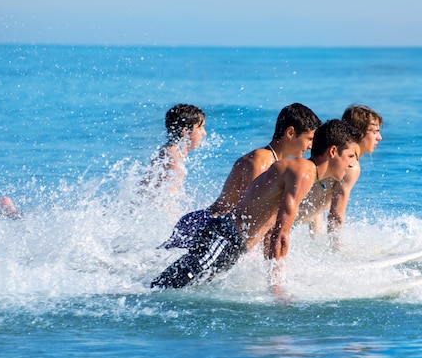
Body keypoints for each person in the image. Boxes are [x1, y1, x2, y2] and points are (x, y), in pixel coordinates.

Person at [150, 119, 361, 290]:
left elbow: (271, 232)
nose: (352, 163)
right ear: (333, 151)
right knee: (164, 288)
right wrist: (277, 287)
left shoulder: (306, 174)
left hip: (231, 246)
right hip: (225, 239)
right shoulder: (303, 172)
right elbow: (281, 233)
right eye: (350, 155)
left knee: (176, 287)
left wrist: (272, 281)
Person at [158, 102, 321, 250]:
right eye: (309, 139)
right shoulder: (261, 161)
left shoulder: (276, 164)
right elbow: (248, 217)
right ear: (291, 133)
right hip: (203, 226)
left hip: (215, 231)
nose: (311, 146)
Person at [296, 104, 383, 244]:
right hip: (286, 221)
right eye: (374, 132)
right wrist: (337, 255)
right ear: (359, 132)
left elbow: (316, 199)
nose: (379, 137)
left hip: (284, 220)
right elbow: (335, 216)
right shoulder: (351, 167)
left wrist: (315, 241)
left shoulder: (331, 159)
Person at [141, 103, 207, 196]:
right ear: (185, 131)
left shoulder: (170, 150)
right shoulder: (173, 156)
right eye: (200, 128)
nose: (204, 133)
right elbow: (168, 198)